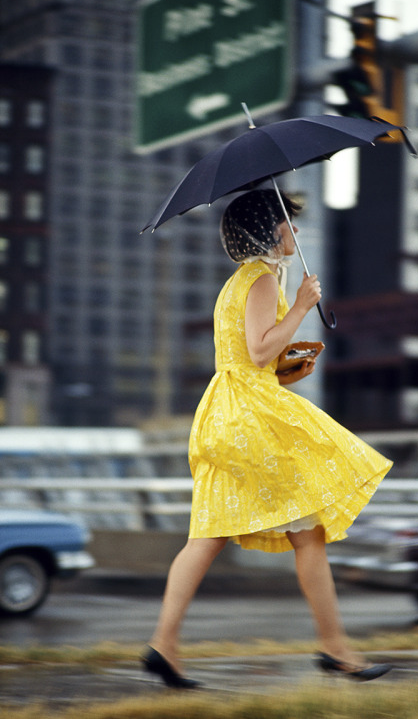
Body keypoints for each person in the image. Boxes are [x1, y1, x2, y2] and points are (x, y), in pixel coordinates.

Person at [142, 189, 393, 689]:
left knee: (206, 537)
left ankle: (163, 646)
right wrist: (301, 305)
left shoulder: (243, 281)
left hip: (227, 413)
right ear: (267, 230)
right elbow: (258, 352)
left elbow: (255, 360)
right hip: (253, 420)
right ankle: (335, 647)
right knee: (309, 534)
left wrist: (291, 364)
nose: (294, 232)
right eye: (288, 224)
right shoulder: (260, 280)